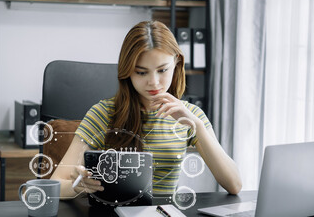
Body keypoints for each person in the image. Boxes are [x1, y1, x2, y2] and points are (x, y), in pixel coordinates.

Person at [51, 20, 242, 198]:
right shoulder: (103, 113)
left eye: (162, 70)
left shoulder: (191, 115)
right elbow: (56, 184)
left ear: (176, 63)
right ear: (127, 71)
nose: (154, 82)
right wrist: (78, 186)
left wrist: (197, 126)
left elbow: (234, 185)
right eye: (141, 72)